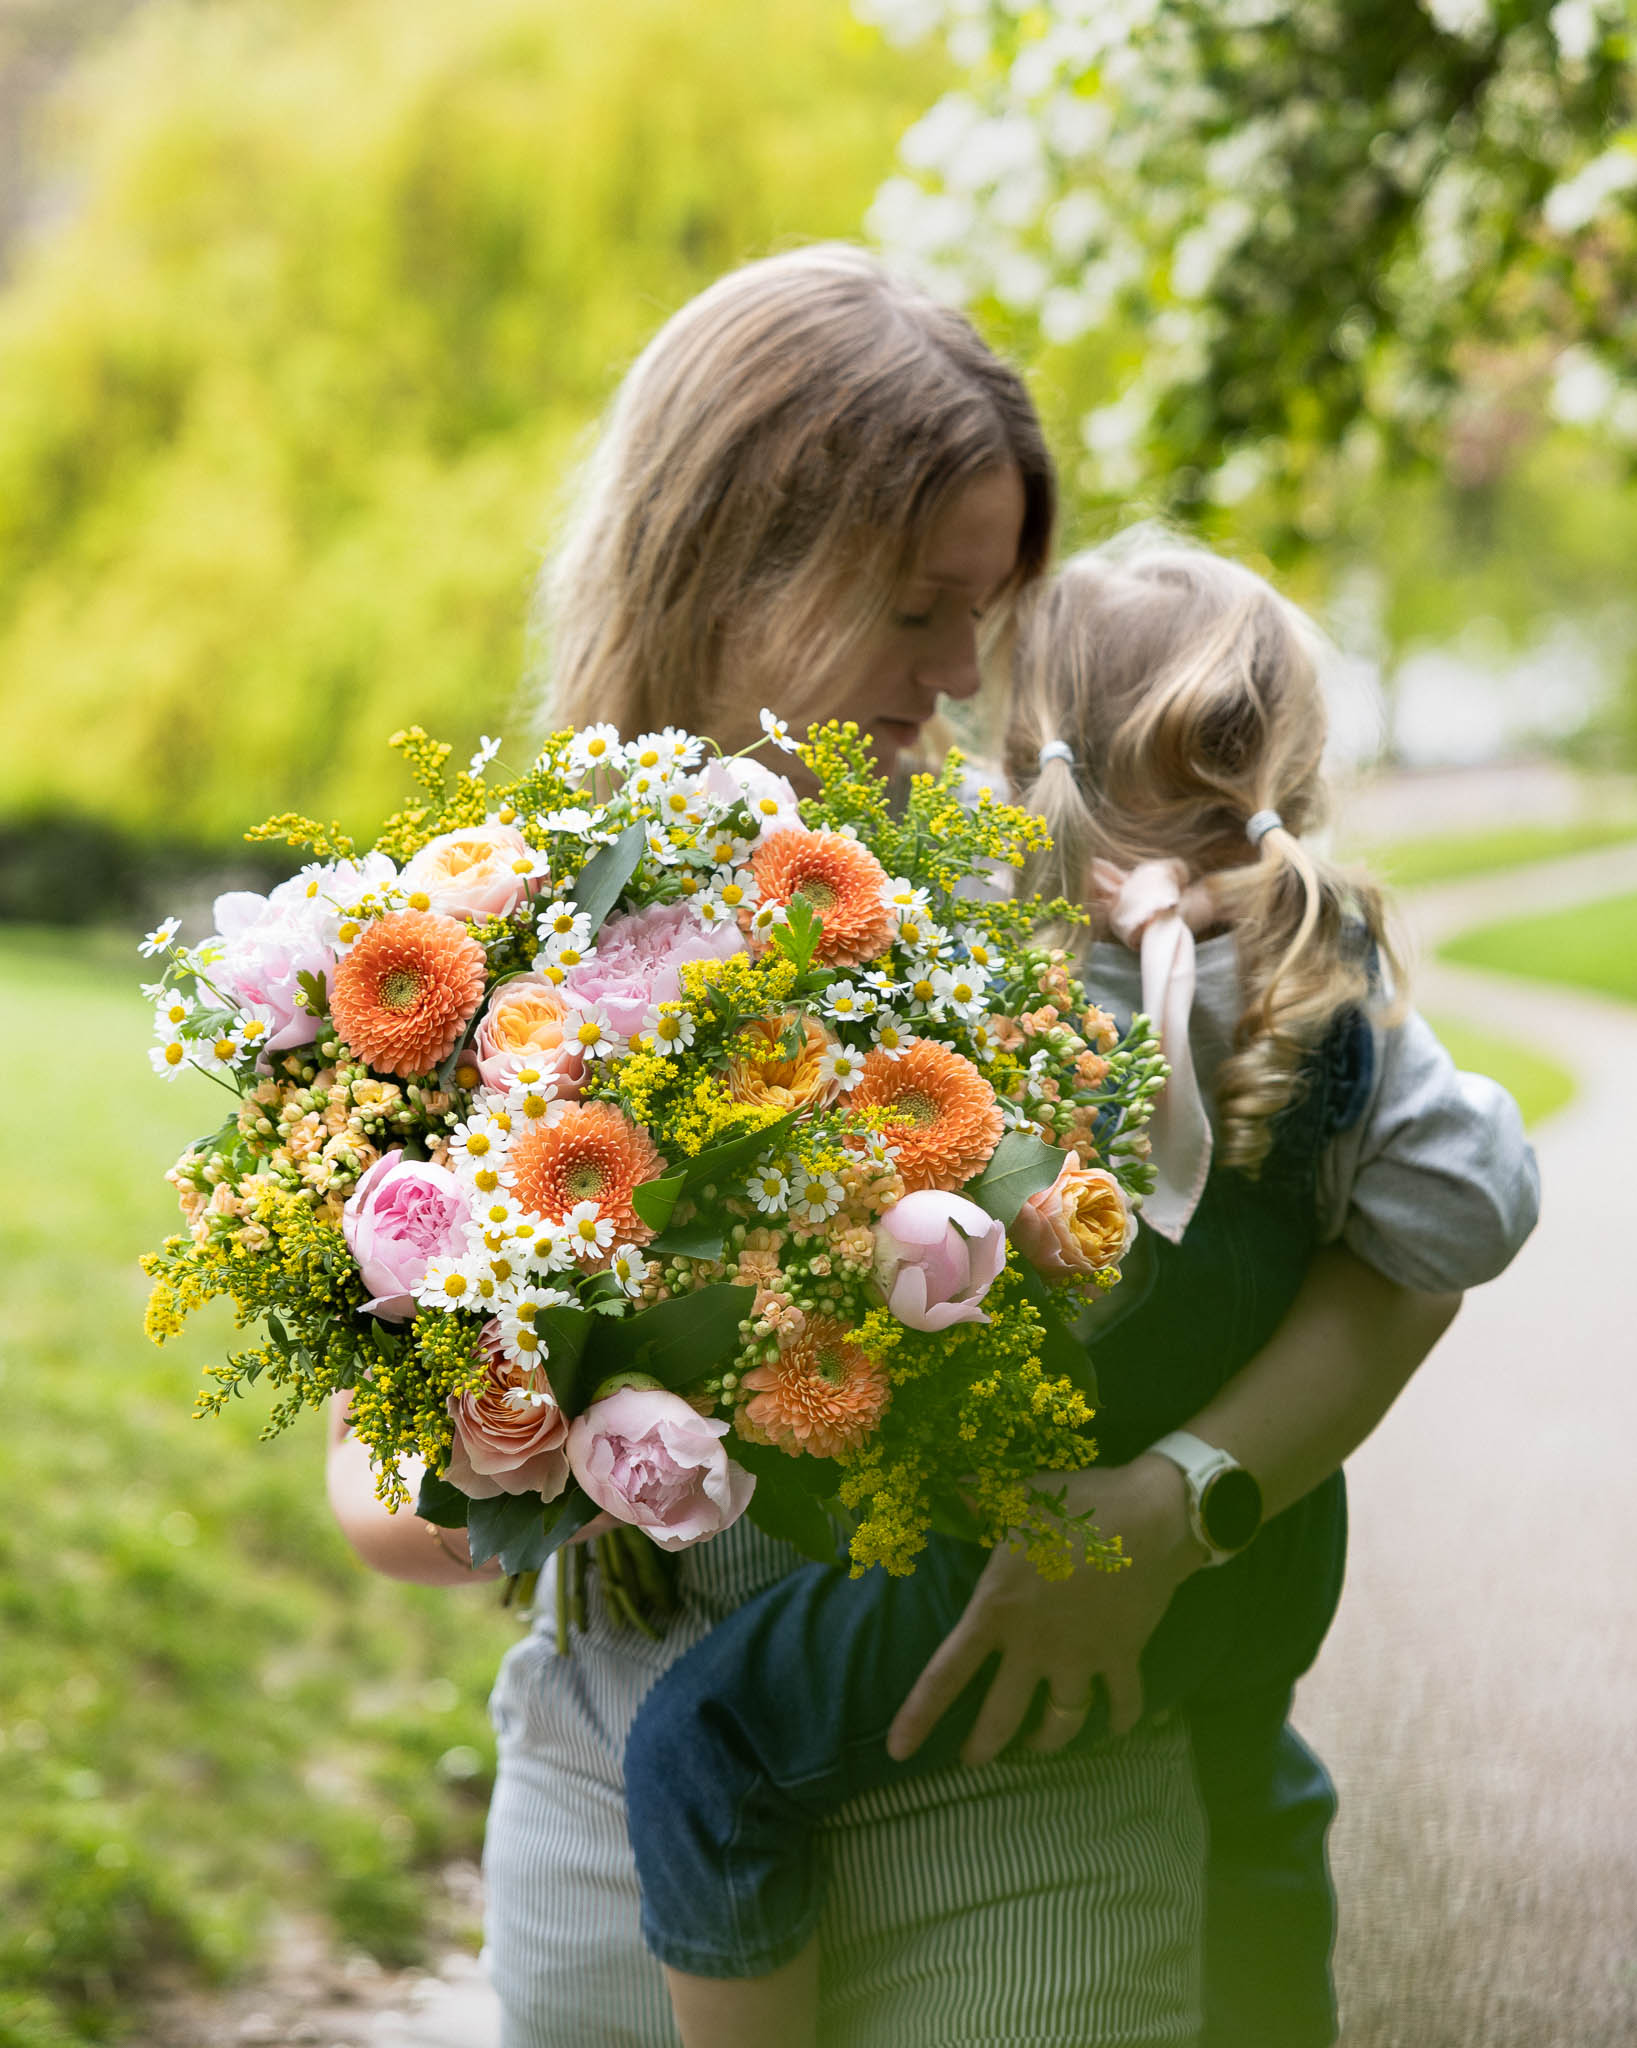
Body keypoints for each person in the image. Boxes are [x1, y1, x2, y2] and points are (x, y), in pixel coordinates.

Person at [322, 248, 1480, 2047]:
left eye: (983, 610)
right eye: (915, 607)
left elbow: (1400, 1227)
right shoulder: (480, 931)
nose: (958, 676)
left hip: (1016, 1786)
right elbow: (373, 1485)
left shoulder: (1051, 889)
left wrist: (1170, 1513)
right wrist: (506, 1452)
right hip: (610, 1802)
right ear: (727, 562)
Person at [614, 536, 1541, 2048]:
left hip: (1018, 1554)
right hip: (1256, 1553)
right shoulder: (1321, 978)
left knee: (697, 1750)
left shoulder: (973, 970)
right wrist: (1356, 999)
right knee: (1250, 1794)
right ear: (1286, 773)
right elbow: (1465, 1213)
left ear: (1011, 752)